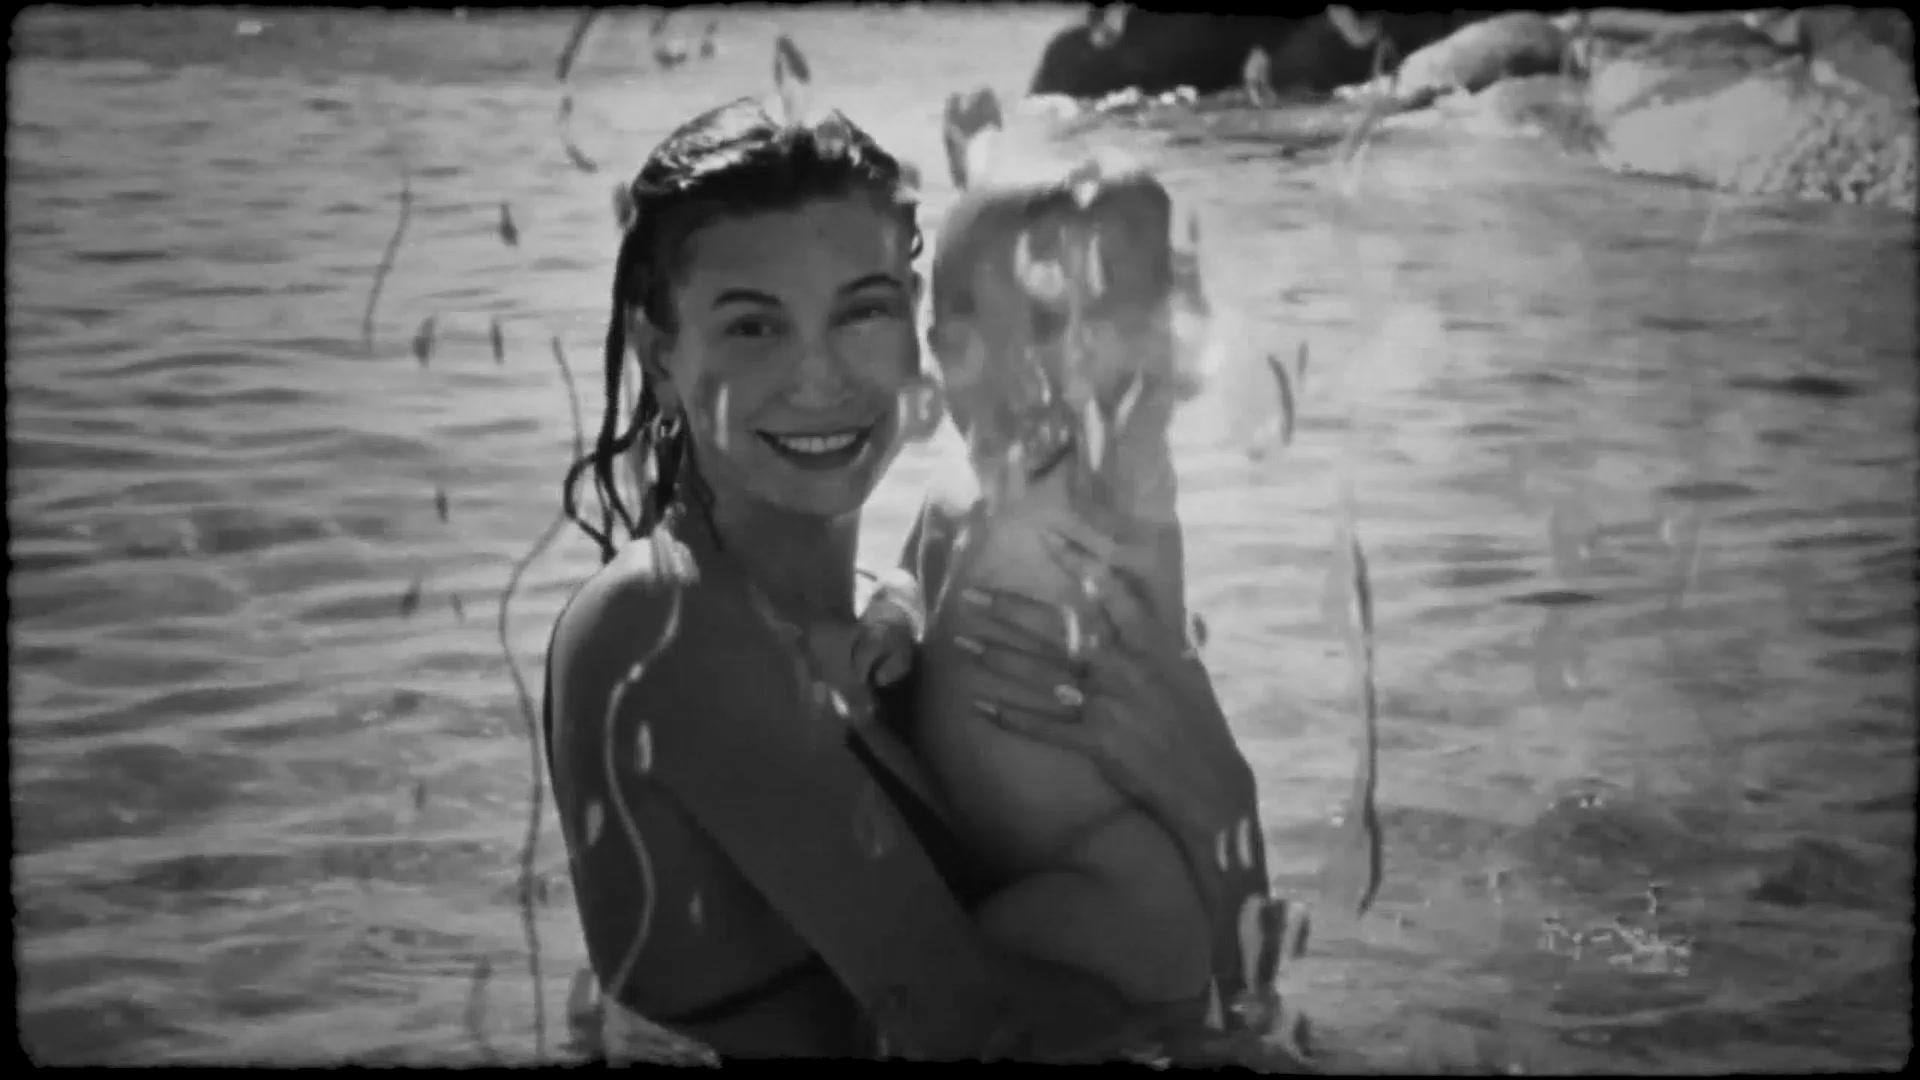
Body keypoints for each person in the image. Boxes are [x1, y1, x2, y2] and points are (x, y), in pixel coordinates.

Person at [541, 97, 1260, 1062]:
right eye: (754, 327)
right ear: (659, 355)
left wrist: (1222, 805)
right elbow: (965, 1029)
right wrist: (1221, 832)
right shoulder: (663, 624)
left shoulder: (917, 615)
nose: (820, 378)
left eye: (864, 311)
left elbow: (1228, 976)